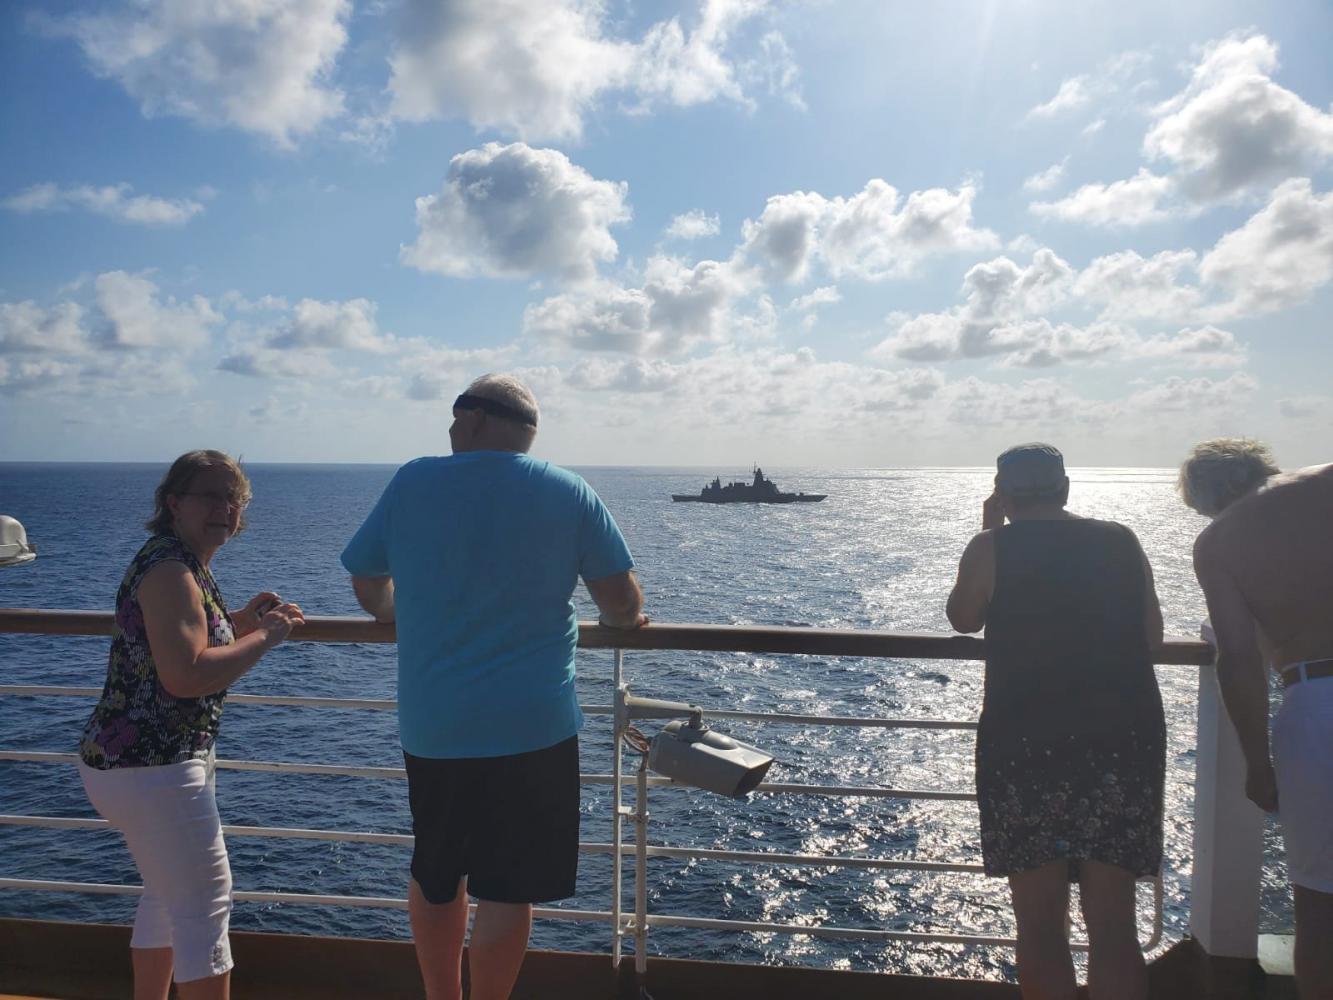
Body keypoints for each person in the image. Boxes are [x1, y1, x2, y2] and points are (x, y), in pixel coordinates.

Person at [341, 373, 646, 1000]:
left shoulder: (413, 480)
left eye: (454, 417)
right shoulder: (567, 490)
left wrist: (396, 610)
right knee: (508, 888)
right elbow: (619, 602)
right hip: (533, 727)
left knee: (436, 876)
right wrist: (623, 623)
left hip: (437, 724)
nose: (449, 429)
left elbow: (369, 582)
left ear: (474, 418)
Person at [77, 450, 305, 1000]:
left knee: (165, 895)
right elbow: (185, 676)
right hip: (153, 767)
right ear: (174, 502)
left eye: (236, 499)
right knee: (205, 904)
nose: (226, 509)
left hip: (136, 764)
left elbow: (185, 643)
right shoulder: (171, 570)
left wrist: (240, 623)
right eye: (212, 495)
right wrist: (266, 637)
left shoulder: (178, 560)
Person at [946, 443, 1165, 1000]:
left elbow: (964, 619)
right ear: (1065, 488)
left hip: (1026, 742)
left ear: (1004, 494)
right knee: (1114, 924)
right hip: (1121, 739)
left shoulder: (993, 546)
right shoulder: (1120, 540)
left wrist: (989, 527)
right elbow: (1152, 637)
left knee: (1040, 924)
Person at [1179, 439, 1332, 999]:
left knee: (1320, 909)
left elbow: (1238, 659)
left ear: (1205, 500)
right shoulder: (1324, 478)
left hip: (1316, 704)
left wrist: (1257, 763)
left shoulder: (1219, 541)